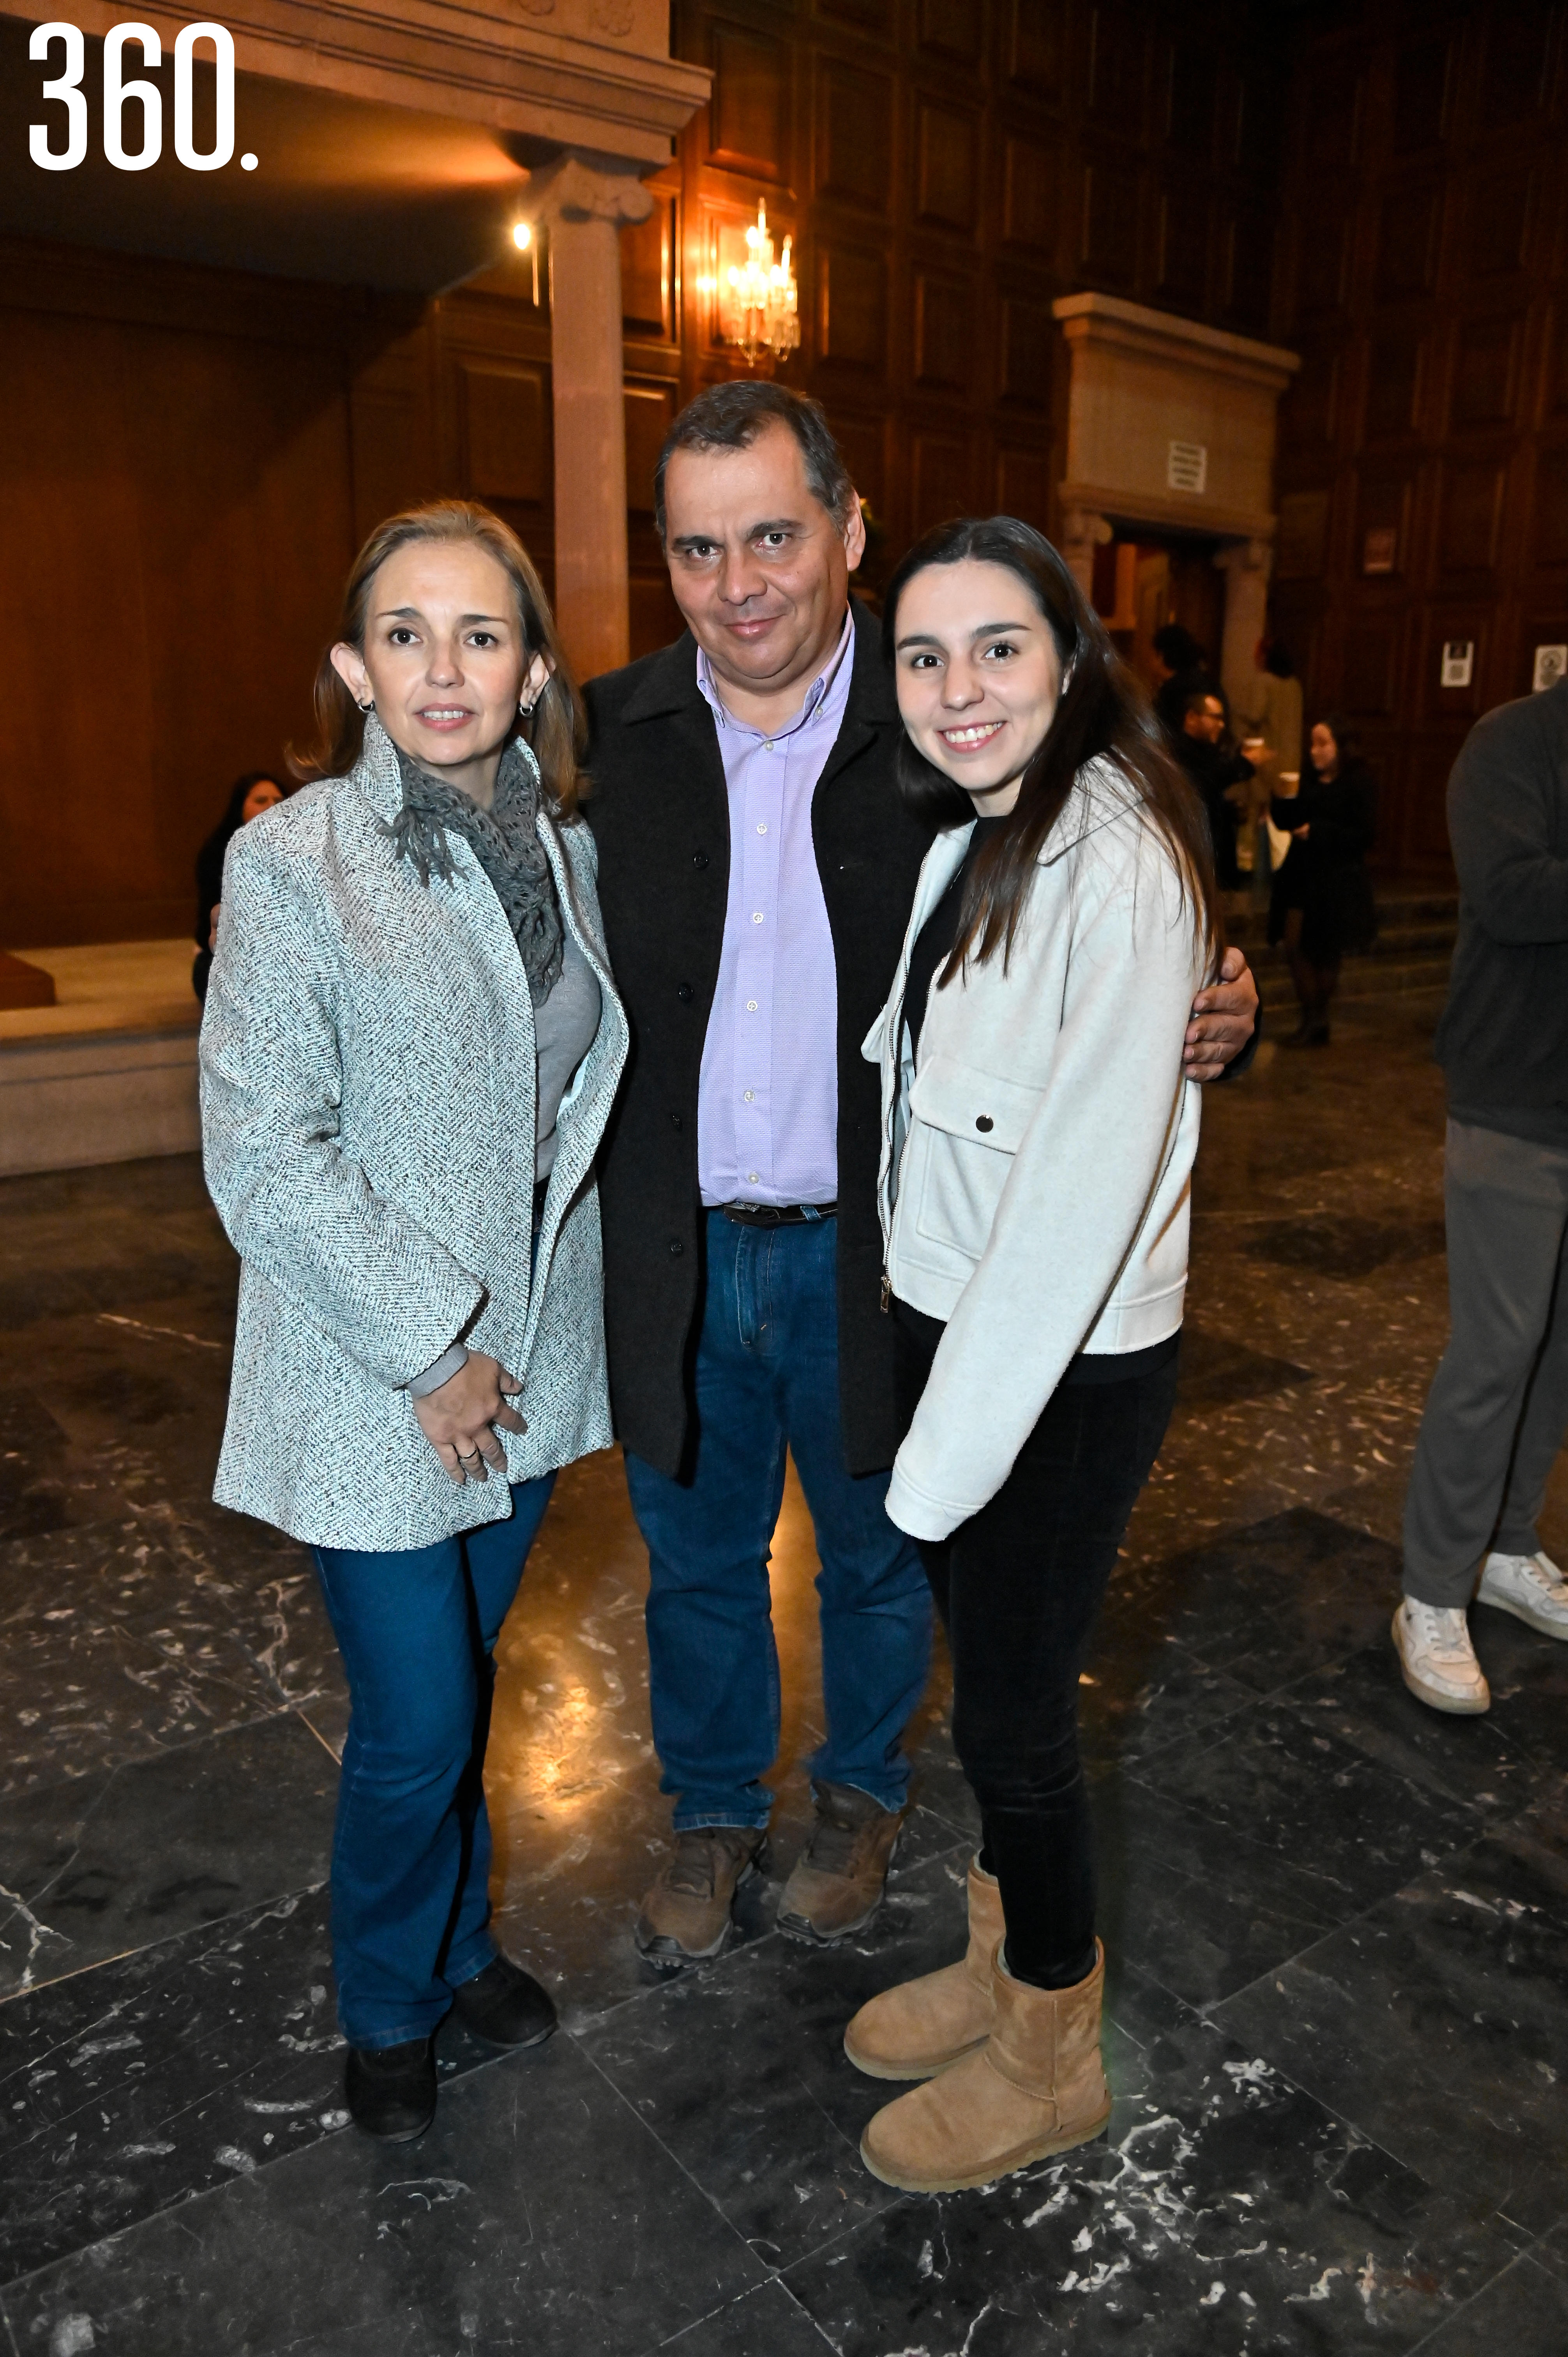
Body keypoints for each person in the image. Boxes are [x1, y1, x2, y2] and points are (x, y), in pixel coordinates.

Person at [582, 381, 1260, 1974]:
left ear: (847, 531)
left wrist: (1210, 1012)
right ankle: (708, 1806)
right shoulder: (609, 738)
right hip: (674, 1242)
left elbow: (1095, 922)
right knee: (694, 1559)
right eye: (696, 547)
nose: (738, 581)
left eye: (772, 534)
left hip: (874, 1248)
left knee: (885, 1554)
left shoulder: (945, 721)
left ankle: (862, 1789)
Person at [200, 500, 628, 2141]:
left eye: (480, 634)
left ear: (530, 673)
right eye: (405, 634)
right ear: (351, 668)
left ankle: (456, 1949)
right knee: (420, 1721)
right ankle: (388, 2007)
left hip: (524, 1366)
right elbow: (263, 1148)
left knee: (467, 1671)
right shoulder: (294, 857)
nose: (442, 668)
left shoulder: (572, 851)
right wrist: (432, 1348)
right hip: (379, 1370)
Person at [841, 516, 1216, 2193]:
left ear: (1064, 658)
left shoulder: (1117, 858)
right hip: (957, 1321)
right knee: (987, 1698)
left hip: (1054, 1363)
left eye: (996, 647)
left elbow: (1067, 1211)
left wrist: (932, 1463)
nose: (957, 686)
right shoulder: (985, 831)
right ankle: (1000, 1963)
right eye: (923, 655)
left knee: (1013, 1719)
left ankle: (1050, 2045)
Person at [1393, 675, 1568, 1714]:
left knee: (1557, 1354)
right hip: (1515, 1100)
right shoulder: (1514, 744)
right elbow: (1510, 892)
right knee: (1496, 1354)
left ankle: (1507, 1547)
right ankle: (1432, 1590)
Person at [1267, 712, 1377, 1046]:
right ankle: (1313, 1017)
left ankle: (1317, 1020)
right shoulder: (1310, 779)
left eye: (1323, 743)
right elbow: (1288, 821)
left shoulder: (1360, 781)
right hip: (1302, 873)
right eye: (1312, 743)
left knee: (1326, 949)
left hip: (1337, 878)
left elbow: (1364, 834)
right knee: (1294, 940)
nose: (1315, 751)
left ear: (1341, 746)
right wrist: (1282, 798)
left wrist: (1317, 831)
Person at [192, 771, 283, 1001]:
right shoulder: (217, 854)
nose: (272, 806)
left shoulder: (302, 853)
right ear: (240, 808)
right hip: (231, 957)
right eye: (261, 801)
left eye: (279, 801)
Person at [1174, 685, 1252, 889]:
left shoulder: (1210, 751)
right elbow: (1199, 787)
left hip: (1214, 851)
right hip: (1192, 849)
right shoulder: (1178, 752)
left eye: (1223, 719)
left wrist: (1229, 810)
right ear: (1192, 717)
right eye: (1215, 718)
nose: (1221, 725)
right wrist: (1244, 764)